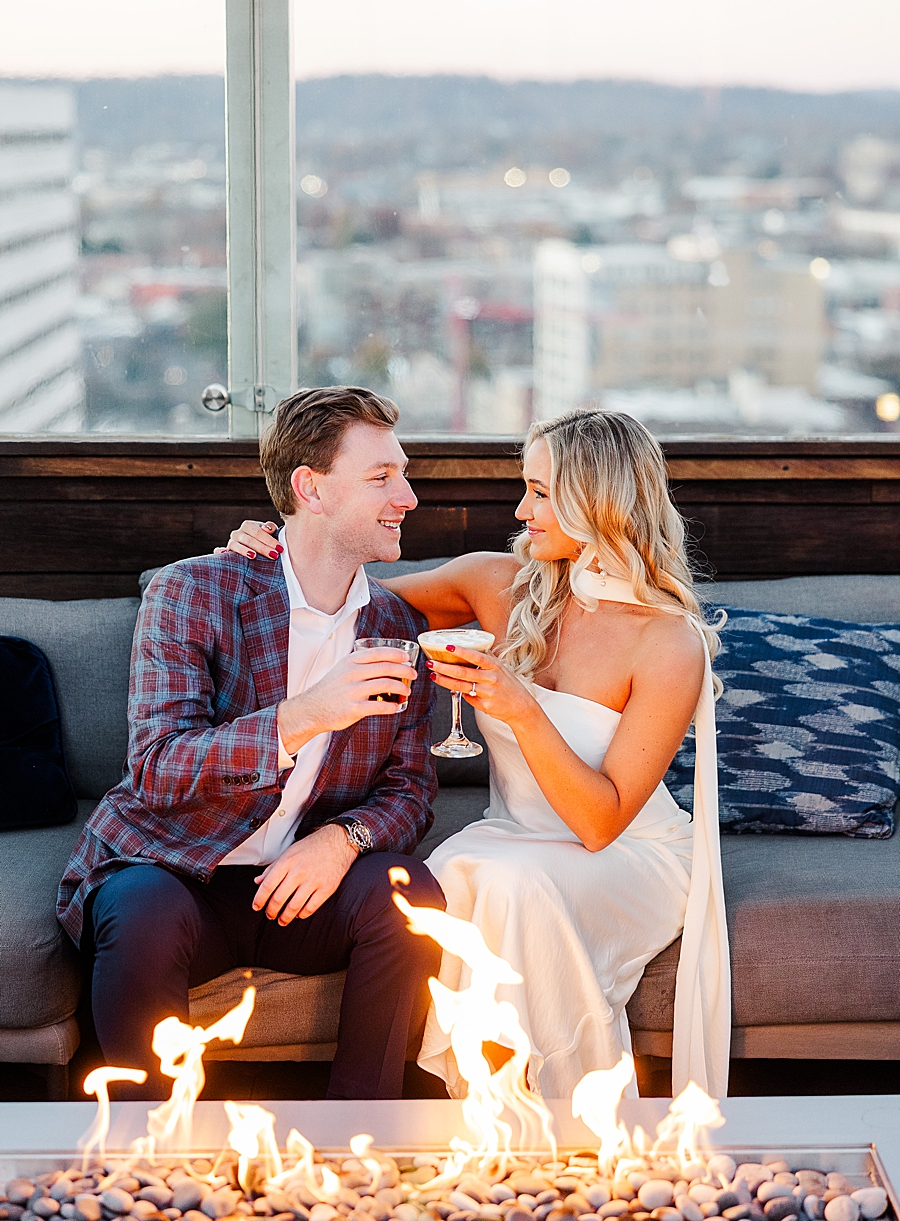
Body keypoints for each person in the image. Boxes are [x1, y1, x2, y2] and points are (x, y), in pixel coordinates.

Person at [223, 407, 731, 1100]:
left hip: (626, 852)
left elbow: (600, 823)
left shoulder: (669, 643)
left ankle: (560, 1113)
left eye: (542, 493)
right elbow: (336, 605)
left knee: (507, 883)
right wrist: (273, 547)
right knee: (441, 876)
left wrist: (520, 707)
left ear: (601, 500)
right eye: (526, 487)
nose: (522, 510)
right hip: (514, 838)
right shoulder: (497, 584)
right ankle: (484, 1120)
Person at [57, 386, 445, 1101]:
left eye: (404, 473)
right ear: (310, 489)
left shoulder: (395, 624)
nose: (409, 497)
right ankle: (150, 1152)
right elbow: (158, 768)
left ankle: (360, 1137)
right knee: (138, 910)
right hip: (177, 873)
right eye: (382, 477)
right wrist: (304, 716)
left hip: (303, 889)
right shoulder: (191, 592)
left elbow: (411, 787)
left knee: (409, 893)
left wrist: (344, 840)